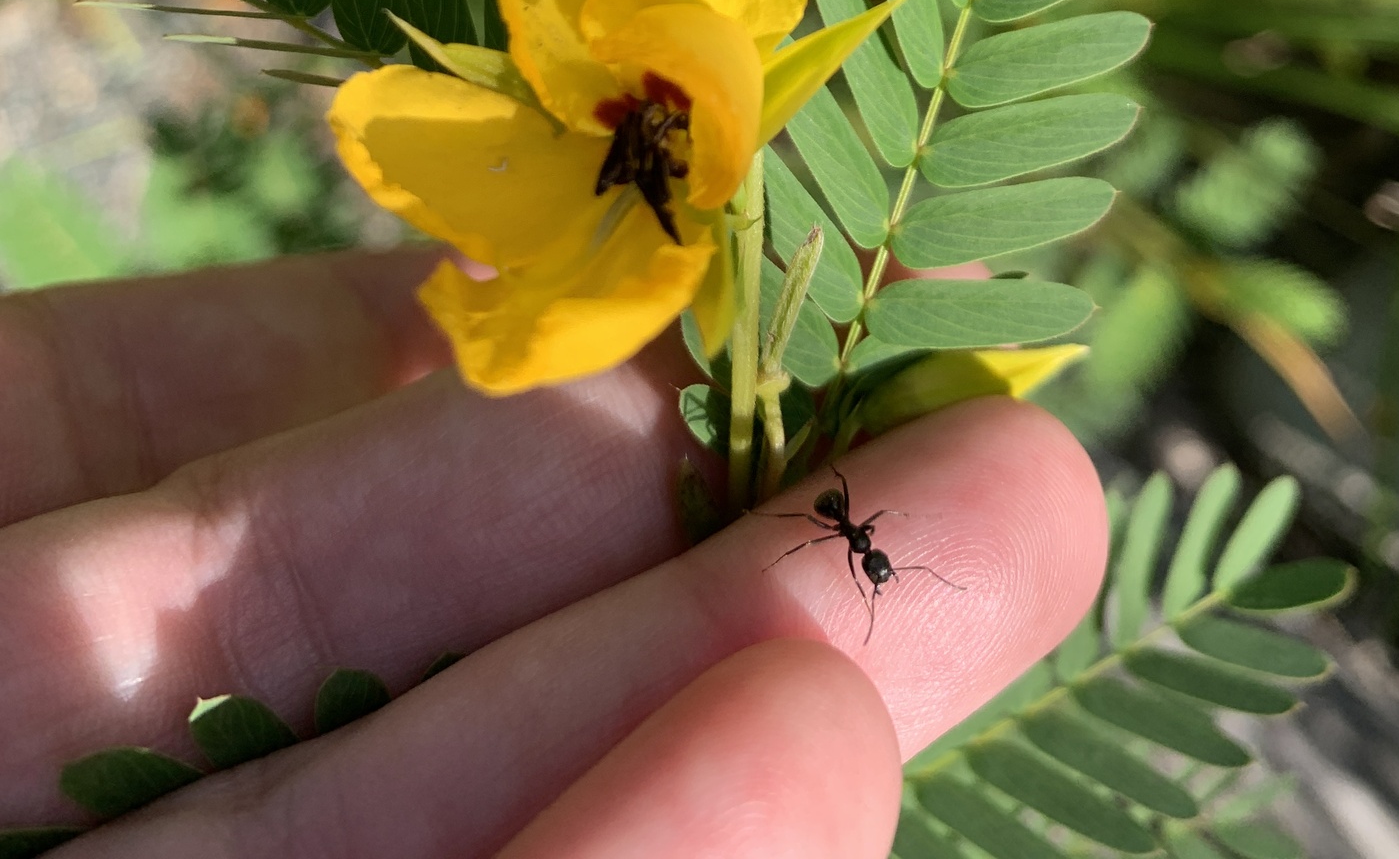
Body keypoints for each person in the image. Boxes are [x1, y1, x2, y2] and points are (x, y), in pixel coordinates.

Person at [0, 248, 1107, 857]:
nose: (860, 542)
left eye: (860, 547)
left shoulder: (851, 533)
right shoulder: (835, 528)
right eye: (861, 541)